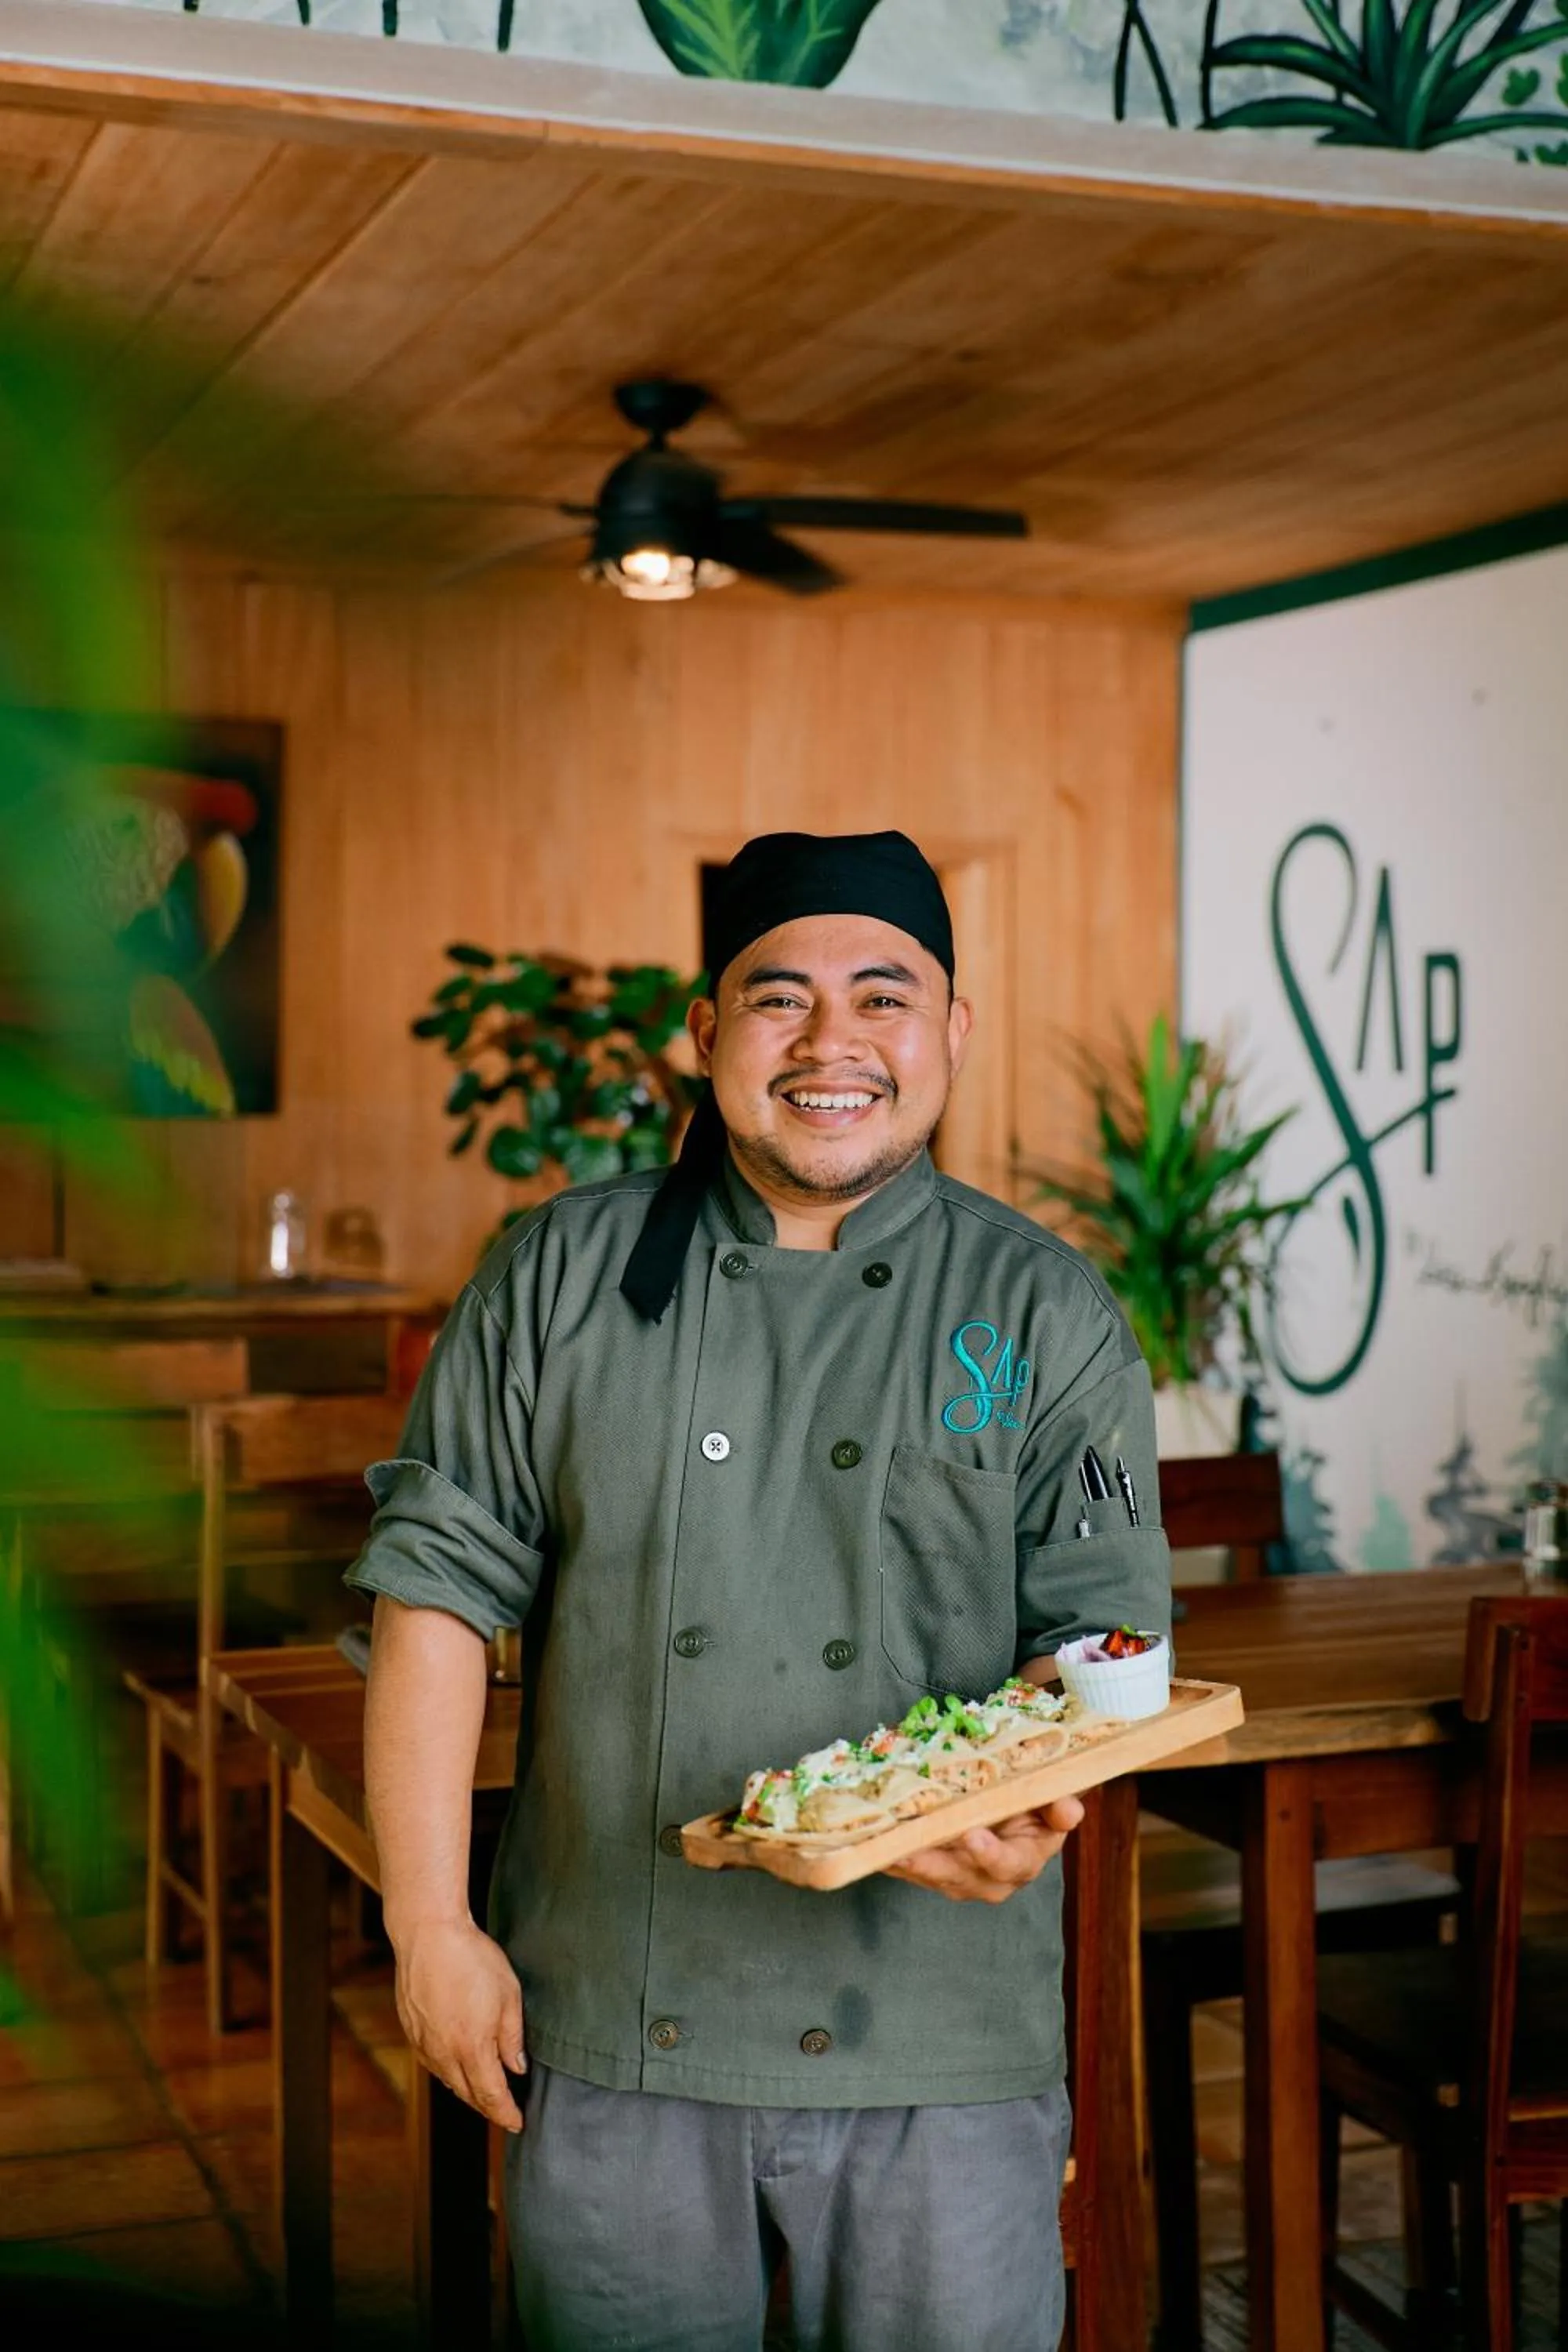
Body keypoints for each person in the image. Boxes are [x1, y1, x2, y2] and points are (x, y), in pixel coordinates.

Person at [350, 829, 1171, 2352]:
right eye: (779, 997)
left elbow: (1100, 1643)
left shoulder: (1046, 1311)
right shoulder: (555, 1276)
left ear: (951, 1030)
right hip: (616, 2016)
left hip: (942, 2038)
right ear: (705, 1030)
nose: (829, 1042)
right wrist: (428, 1924)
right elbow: (433, 1596)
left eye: (883, 996)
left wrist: (1018, 1803)